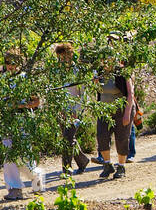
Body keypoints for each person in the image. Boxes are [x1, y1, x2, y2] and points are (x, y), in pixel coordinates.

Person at [0, 50, 42, 201]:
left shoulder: (25, 79)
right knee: (8, 153)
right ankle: (14, 188)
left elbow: (36, 101)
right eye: (7, 62)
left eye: (13, 62)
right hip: (6, 121)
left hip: (23, 119)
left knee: (24, 154)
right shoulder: (1, 80)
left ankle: (36, 178)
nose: (10, 66)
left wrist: (21, 106)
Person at [93, 55, 133, 180]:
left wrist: (127, 113)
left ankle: (121, 166)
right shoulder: (100, 73)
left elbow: (130, 94)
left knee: (121, 138)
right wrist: (95, 83)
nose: (105, 61)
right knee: (101, 136)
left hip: (121, 110)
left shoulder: (122, 73)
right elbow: (99, 92)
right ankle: (107, 164)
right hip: (104, 110)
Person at [53, 42, 89, 175]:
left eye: (66, 56)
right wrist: (58, 109)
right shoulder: (57, 73)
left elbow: (83, 94)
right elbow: (55, 93)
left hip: (75, 111)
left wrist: (77, 111)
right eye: (61, 57)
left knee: (68, 139)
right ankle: (82, 160)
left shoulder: (77, 71)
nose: (64, 60)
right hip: (62, 110)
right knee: (68, 138)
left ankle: (66, 169)